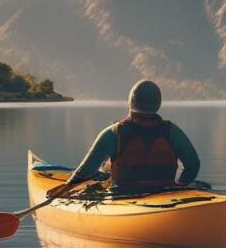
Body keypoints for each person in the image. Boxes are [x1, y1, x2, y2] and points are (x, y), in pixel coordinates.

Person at [48, 80, 201, 196]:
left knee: (105, 169)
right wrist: (180, 185)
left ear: (130, 103)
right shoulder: (173, 131)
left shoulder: (113, 133)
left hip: (123, 196)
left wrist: (67, 187)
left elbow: (87, 170)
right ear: (158, 104)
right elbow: (193, 165)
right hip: (164, 194)